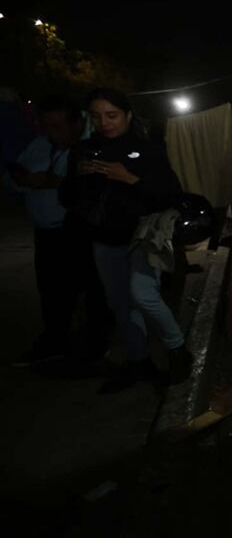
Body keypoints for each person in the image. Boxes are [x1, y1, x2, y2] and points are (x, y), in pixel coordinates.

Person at [59, 88, 193, 393]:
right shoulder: (84, 150)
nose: (104, 123)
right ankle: (138, 361)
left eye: (112, 115)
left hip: (143, 236)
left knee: (143, 294)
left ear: (128, 115)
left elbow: (170, 195)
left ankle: (178, 349)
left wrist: (130, 178)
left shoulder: (148, 149)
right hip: (105, 239)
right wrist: (79, 177)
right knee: (120, 303)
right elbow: (66, 198)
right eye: (96, 117)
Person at [6, 94, 111, 365]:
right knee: (52, 292)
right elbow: (15, 177)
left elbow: (92, 187)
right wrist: (25, 180)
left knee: (90, 291)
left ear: (77, 124)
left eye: (57, 126)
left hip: (78, 234)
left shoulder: (93, 146)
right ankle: (55, 341)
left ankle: (93, 348)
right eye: (46, 126)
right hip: (45, 233)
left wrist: (52, 182)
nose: (51, 133)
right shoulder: (40, 144)